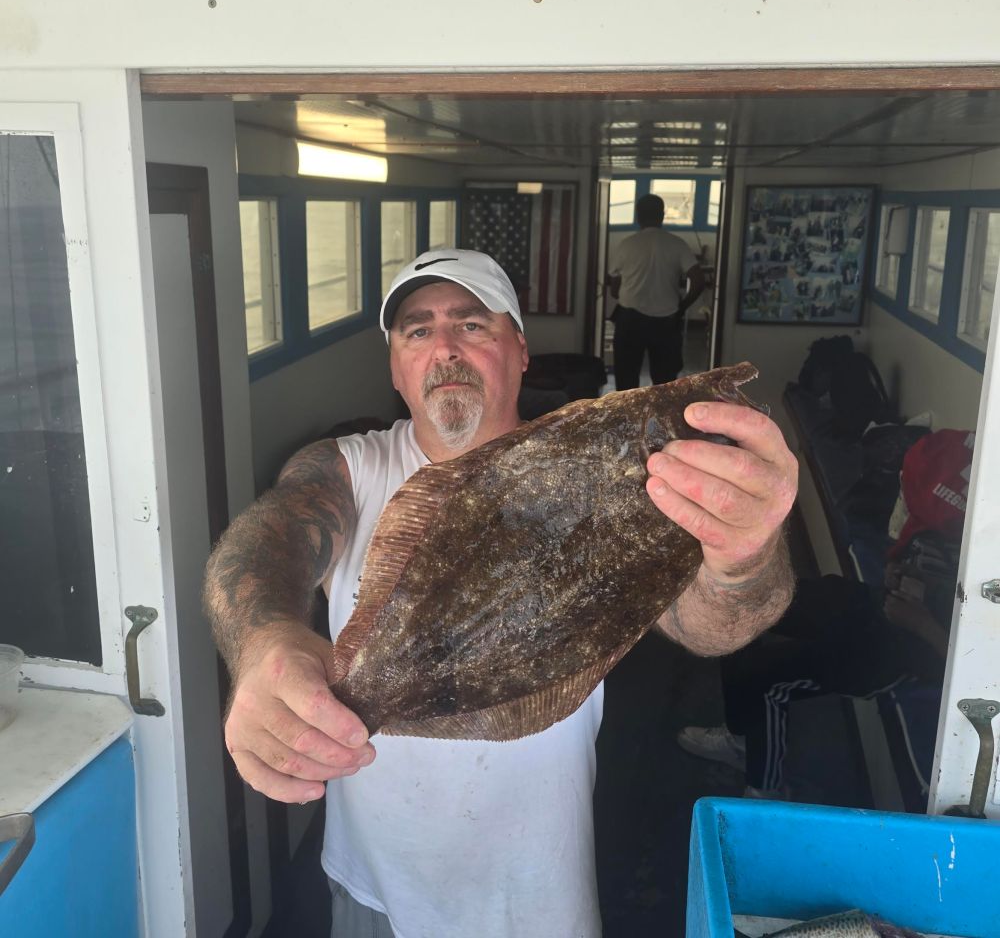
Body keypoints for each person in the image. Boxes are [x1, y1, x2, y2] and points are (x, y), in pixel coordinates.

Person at [203, 248, 798, 938]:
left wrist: (743, 563)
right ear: (396, 367)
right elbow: (270, 537)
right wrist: (263, 639)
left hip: (533, 893)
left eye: (472, 325)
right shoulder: (348, 467)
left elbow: (709, 626)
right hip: (373, 886)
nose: (444, 348)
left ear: (520, 350)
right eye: (417, 331)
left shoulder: (599, 485)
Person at [677, 532, 959, 800]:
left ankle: (765, 790)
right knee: (744, 609)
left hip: (901, 655)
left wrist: (921, 623)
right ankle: (740, 738)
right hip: (879, 604)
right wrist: (901, 574)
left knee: (766, 681)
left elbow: (977, 671)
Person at [607, 193, 707, 390]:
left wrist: (626, 293)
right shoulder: (677, 244)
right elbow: (698, 280)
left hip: (630, 319)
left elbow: (613, 288)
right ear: (662, 215)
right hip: (667, 321)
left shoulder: (627, 244)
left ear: (637, 216)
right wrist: (682, 307)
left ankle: (628, 419)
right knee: (665, 384)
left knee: (626, 380)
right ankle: (660, 420)